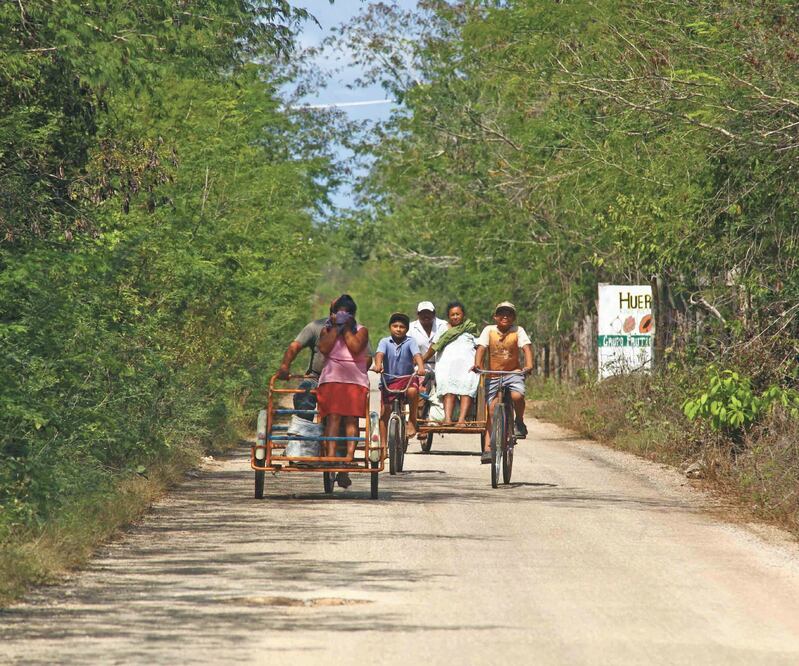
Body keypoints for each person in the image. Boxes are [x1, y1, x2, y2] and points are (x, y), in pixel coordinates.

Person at [317, 295, 370, 488]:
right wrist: (335, 328)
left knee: (351, 419)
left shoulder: (361, 330)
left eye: (346, 313)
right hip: (331, 379)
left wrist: (346, 327)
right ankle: (331, 457)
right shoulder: (327, 329)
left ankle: (348, 458)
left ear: (353, 315)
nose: (342, 316)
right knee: (332, 417)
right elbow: (324, 348)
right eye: (339, 313)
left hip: (355, 380)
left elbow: (355, 347)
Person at [472, 301, 534, 463]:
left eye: (509, 314)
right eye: (501, 313)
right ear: (495, 317)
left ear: (514, 317)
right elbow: (481, 348)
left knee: (517, 396)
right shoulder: (489, 330)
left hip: (513, 373)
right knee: (492, 410)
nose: (505, 316)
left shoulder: (518, 330)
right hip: (493, 375)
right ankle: (488, 448)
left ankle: (519, 421)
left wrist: (528, 365)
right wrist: (477, 364)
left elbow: (526, 348)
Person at [372, 312, 426, 446]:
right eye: (395, 326)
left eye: (402, 327)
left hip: (407, 379)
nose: (398, 329)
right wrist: (378, 365)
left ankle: (412, 420)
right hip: (389, 381)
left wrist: (421, 367)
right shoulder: (384, 341)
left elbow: (417, 355)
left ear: (406, 329)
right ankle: (383, 446)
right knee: (385, 412)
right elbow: (379, 354)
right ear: (390, 327)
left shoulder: (410, 341)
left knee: (413, 391)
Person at [422, 301, 479, 424]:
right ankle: (447, 418)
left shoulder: (470, 328)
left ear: (463, 315)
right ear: (448, 316)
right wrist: (423, 359)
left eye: (458, 314)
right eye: (452, 315)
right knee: (448, 390)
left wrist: (478, 363)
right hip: (447, 366)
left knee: (467, 390)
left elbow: (479, 346)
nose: (455, 317)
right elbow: (435, 346)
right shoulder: (444, 328)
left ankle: (462, 420)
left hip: (467, 366)